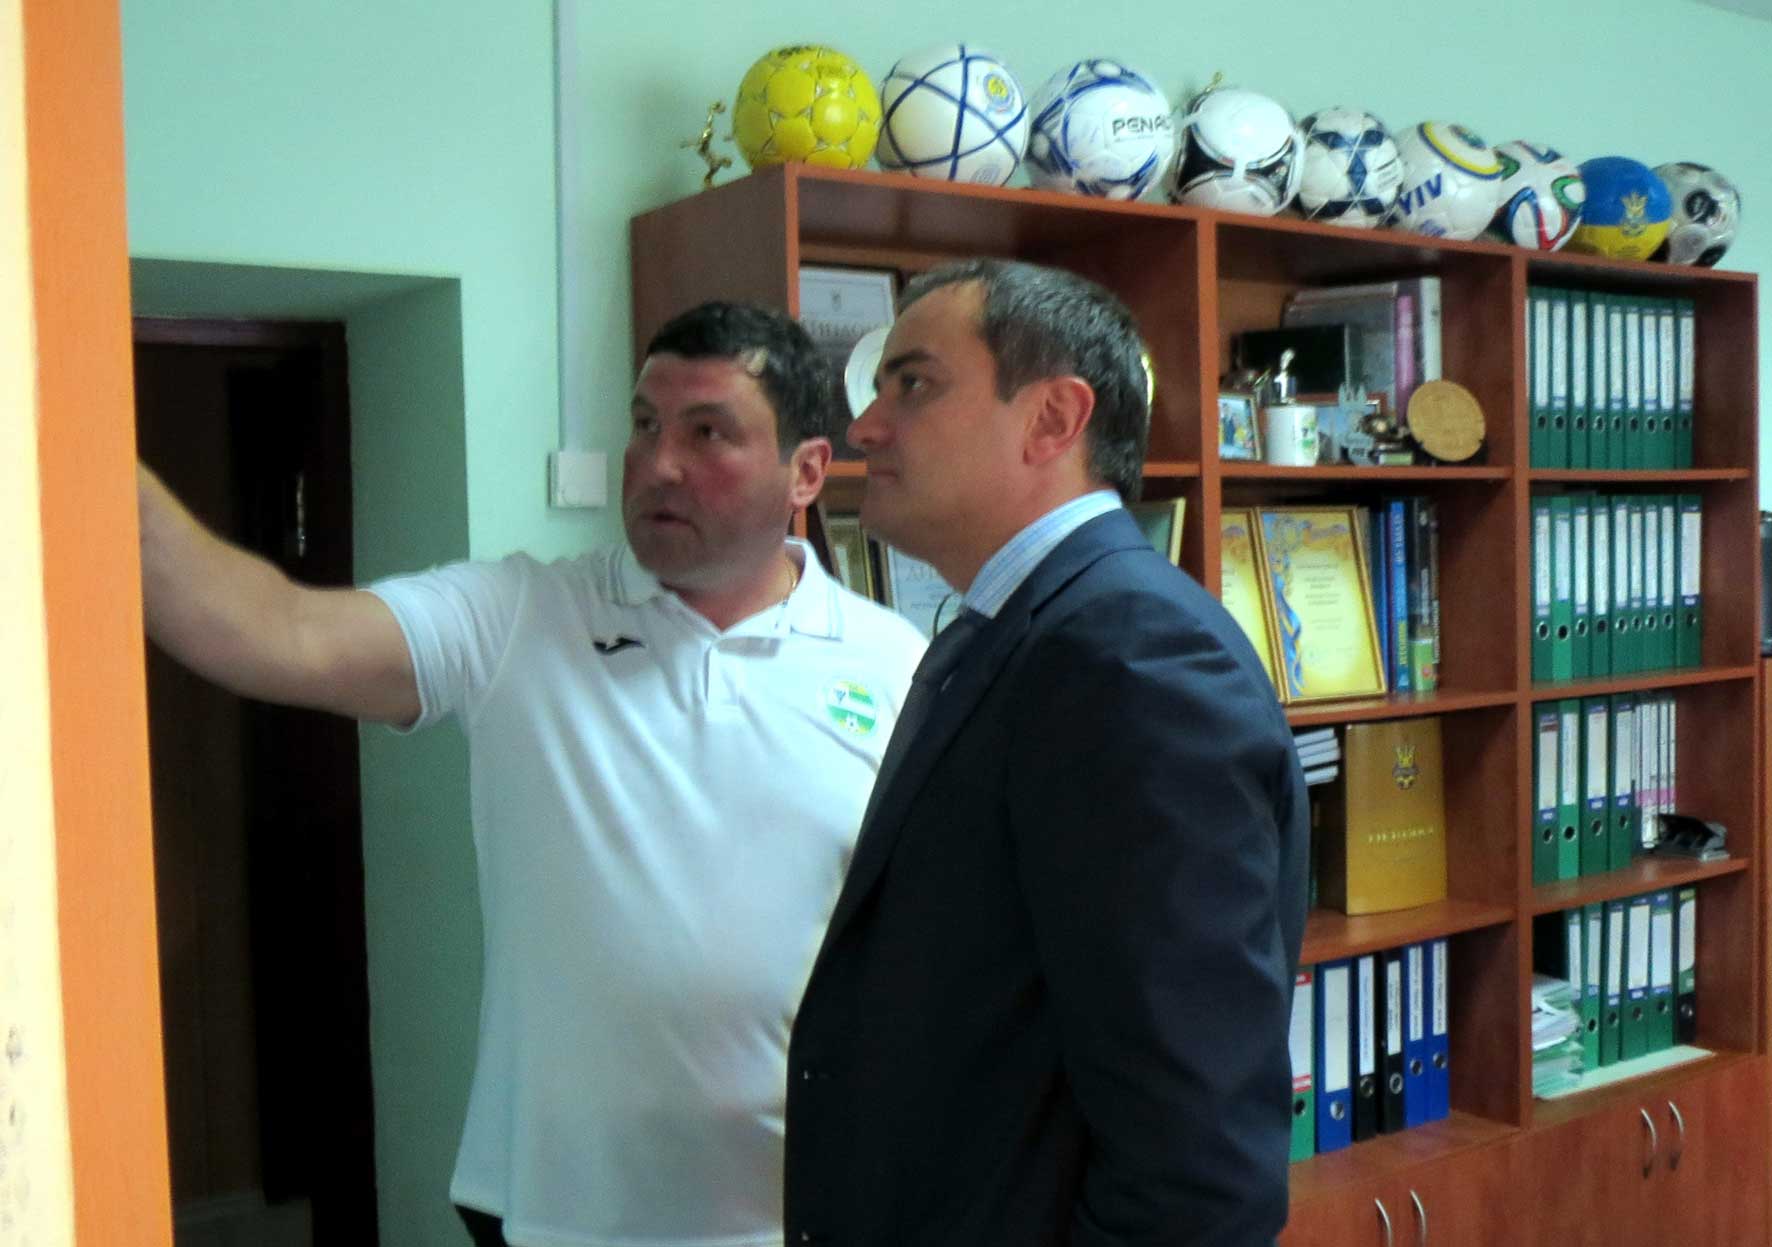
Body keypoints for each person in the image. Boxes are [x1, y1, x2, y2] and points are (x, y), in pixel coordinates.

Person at [136, 301, 927, 1247]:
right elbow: (273, 630)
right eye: (645, 425)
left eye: (708, 432)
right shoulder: (520, 617)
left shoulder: (895, 665)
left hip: (800, 1209)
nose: (659, 463)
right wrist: (69, 420)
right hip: (560, 1208)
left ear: (806, 470)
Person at [783, 259, 1309, 1246]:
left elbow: (1197, 1172)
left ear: (1052, 419)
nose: (864, 427)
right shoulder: (1020, 629)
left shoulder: (1131, 658)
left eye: (913, 384)